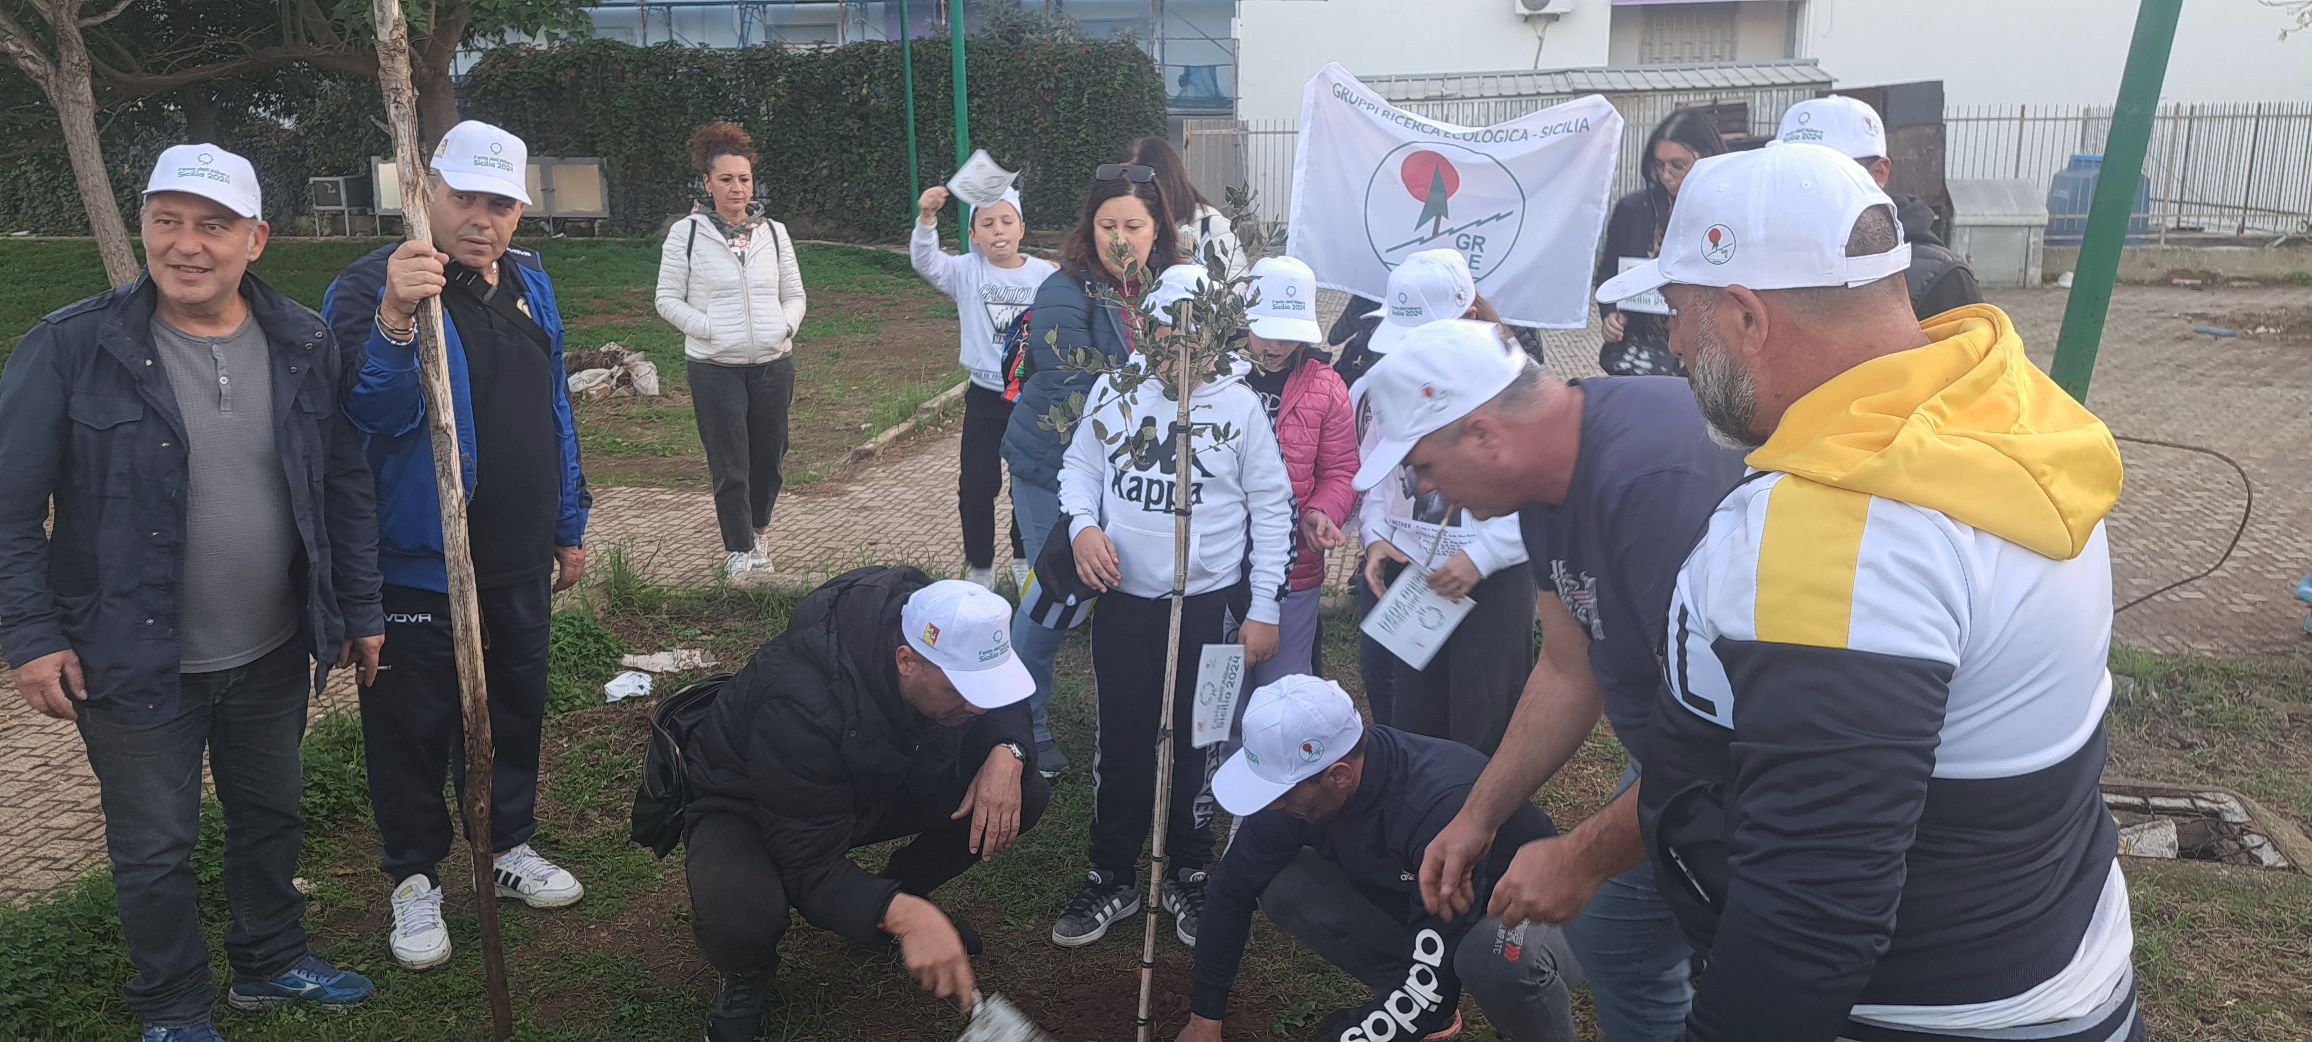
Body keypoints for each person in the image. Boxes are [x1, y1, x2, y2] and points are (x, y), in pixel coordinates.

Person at [1596, 142, 2141, 1041]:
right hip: (2062, 960)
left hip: (1920, 1014)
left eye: (1681, 313)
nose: (1677, 345)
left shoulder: (1841, 529)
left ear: (1746, 317)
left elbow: (1811, 915)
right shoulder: (2004, 410)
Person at [0, 144, 380, 1041]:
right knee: (155, 846)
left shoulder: (303, 341)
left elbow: (341, 482)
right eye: (166, 221)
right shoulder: (71, 345)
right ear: (144, 228)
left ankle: (271, 961)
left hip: (273, 646)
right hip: (132, 658)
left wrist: (359, 608)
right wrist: (31, 635)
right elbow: (8, 509)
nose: (186, 245)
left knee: (271, 816)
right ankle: (172, 1008)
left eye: (212, 226)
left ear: (257, 238)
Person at [1353, 321, 1744, 1042]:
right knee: (1617, 933)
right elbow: (1567, 666)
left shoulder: (1651, 484)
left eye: (1423, 468)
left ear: (1483, 434)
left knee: (1744, 971)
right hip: (1678, 753)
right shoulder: (1544, 483)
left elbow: (1724, 744)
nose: (1426, 490)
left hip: (1768, 772)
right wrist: (1477, 816)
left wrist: (1578, 856)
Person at [324, 119, 594, 972]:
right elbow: (366, 415)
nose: (483, 219)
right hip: (420, 559)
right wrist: (397, 317)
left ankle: (506, 841)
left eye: (501, 204)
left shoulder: (528, 280)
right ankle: (414, 877)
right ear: (427, 193)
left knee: (513, 704)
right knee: (410, 723)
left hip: (516, 550)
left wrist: (569, 521)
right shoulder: (370, 286)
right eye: (465, 198)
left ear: (520, 212)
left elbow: (553, 405)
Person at [680, 569, 1048, 1042]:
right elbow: (808, 863)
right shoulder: (799, 703)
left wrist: (1009, 751)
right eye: (960, 691)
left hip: (874, 781)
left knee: (1023, 793)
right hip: (751, 802)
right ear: (906, 661)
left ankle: (897, 899)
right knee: (740, 915)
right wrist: (907, 916)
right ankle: (747, 970)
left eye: (984, 688)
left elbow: (1001, 696)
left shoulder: (944, 630)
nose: (977, 708)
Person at [1051, 264, 1292, 950]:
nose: (1180, 353)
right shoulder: (1116, 390)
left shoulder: (1238, 406)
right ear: (1145, 329)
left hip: (1211, 609)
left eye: (1195, 339)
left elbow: (1272, 506)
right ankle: (1112, 872)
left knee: (1200, 737)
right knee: (1124, 739)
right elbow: (1081, 468)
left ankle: (1189, 868)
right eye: (1166, 335)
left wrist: (1264, 605)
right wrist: (1082, 526)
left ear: (1217, 339)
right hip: (1126, 604)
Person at [1182, 676, 1579, 1042]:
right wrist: (1204, 1021)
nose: (1273, 806)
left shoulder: (1436, 808)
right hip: (1426, 904)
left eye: (1281, 794)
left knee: (1495, 958)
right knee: (1284, 885)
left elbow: (1428, 992)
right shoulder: (1300, 793)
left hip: (1530, 911)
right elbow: (1229, 891)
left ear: (1339, 776)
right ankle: (1414, 999)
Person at [1000, 164, 1182, 778]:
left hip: (1126, 471)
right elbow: (1069, 387)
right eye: (1108, 226)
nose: (1119, 239)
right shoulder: (1064, 290)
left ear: (1158, 230)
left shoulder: (1172, 287)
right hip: (1052, 463)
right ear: (1090, 227)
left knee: (1113, 587)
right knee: (1057, 593)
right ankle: (1019, 725)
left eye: (1134, 225)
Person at [1351, 250, 1534, 755]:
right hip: (1415, 571)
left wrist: (1482, 556)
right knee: (1414, 716)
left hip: (1493, 582)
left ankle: (1483, 804)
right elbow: (1378, 473)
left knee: (1484, 718)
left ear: (1469, 316)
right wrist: (1376, 536)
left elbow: (1541, 490)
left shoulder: (1515, 384)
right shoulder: (1386, 382)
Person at [654, 122, 807, 578]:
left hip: (773, 364)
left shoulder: (774, 233)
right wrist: (708, 329)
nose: (736, 188)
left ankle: (760, 535)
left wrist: (784, 326)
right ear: (707, 183)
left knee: (770, 459)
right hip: (714, 366)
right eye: (725, 179)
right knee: (730, 462)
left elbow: (795, 294)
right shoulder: (686, 234)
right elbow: (666, 298)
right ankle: (738, 550)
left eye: (743, 178)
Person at [910, 181, 1055, 590]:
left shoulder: (1045, 275)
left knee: (1028, 481)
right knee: (976, 486)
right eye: (987, 224)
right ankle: (981, 568)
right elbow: (926, 261)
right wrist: (926, 218)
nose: (998, 231)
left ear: (1022, 228)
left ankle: (1024, 559)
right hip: (985, 397)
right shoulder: (967, 272)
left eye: (1007, 221)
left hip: (1030, 397)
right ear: (973, 235)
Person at [1238, 255, 1356, 687]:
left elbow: (1341, 469)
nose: (1276, 344)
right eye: (1266, 330)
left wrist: (1321, 512)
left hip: (1295, 568)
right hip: (1218, 563)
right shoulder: (1213, 377)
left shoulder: (1326, 386)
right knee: (1220, 693)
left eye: (1290, 334)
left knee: (1283, 687)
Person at [1778, 94, 1985, 321]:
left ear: (1878, 173)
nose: (1800, 185)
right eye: (1788, 170)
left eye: (1820, 170)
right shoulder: (1769, 258)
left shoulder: (1939, 279)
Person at [1592, 109, 1726, 377]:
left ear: (1707, 158)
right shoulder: (1632, 210)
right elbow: (1608, 273)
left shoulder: (1726, 212)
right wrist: (1610, 314)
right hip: (1638, 359)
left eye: (1678, 165)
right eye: (1659, 164)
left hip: (1703, 360)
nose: (1666, 175)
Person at [1124, 136, 1246, 278]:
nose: (1132, 188)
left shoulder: (1211, 227)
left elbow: (1233, 285)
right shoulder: (1134, 227)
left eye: (1138, 177)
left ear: (1164, 179)